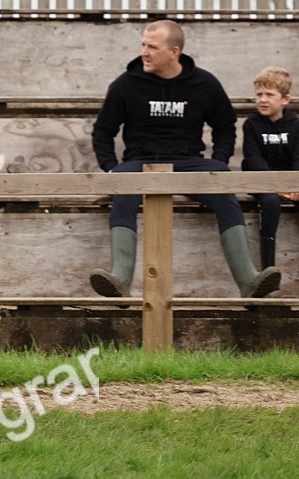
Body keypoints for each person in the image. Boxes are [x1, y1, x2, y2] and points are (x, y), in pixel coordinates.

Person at [90, 19, 282, 298]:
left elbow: (225, 126)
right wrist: (110, 169)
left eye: (152, 47)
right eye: (143, 44)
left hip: (189, 162)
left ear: (174, 52)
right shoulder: (126, 84)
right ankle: (120, 279)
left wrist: (219, 159)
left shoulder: (204, 83)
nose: (144, 51)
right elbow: (103, 131)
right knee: (123, 189)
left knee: (224, 186)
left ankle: (249, 280)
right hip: (141, 162)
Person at [242, 66, 299, 269]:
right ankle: (268, 267)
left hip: (289, 179)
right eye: (259, 94)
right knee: (270, 201)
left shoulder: (295, 124)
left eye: (269, 94)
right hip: (260, 178)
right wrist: (276, 185)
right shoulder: (252, 123)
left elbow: (297, 158)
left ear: (285, 99)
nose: (263, 99)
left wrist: (294, 186)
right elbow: (253, 157)